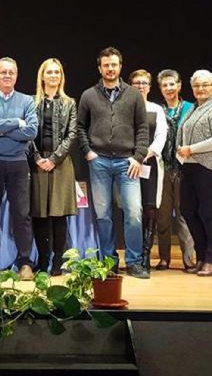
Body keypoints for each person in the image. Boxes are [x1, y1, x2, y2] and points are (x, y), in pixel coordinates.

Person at [76, 47, 149, 279]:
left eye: (114, 64)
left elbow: (142, 128)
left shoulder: (134, 95)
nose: (110, 68)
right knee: (103, 215)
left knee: (134, 213)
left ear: (120, 66)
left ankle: (135, 261)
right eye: (106, 65)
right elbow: (79, 128)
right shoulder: (88, 95)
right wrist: (88, 152)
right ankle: (108, 261)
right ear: (100, 68)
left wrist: (138, 157)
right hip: (99, 162)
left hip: (128, 163)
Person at [0, 57, 38, 280]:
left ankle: (25, 263)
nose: (7, 76)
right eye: (2, 72)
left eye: (11, 72)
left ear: (16, 76)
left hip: (17, 163)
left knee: (21, 214)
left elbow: (31, 132)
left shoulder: (26, 101)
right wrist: (17, 123)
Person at [176, 70, 212, 276]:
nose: (201, 89)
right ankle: (201, 256)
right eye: (197, 85)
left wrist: (192, 149)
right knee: (188, 211)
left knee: (210, 215)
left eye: (205, 85)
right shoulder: (194, 109)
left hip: (210, 168)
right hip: (190, 168)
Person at [30, 58, 77, 276]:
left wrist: (54, 159)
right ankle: (42, 261)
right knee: (40, 214)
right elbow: (28, 133)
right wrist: (38, 158)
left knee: (59, 216)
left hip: (60, 164)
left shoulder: (69, 103)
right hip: (37, 163)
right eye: (49, 72)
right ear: (42, 76)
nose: (53, 76)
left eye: (57, 72)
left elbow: (72, 134)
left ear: (61, 76)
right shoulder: (31, 102)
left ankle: (58, 262)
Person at [155, 69, 196, 270]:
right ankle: (164, 258)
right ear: (160, 89)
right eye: (164, 85)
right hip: (162, 169)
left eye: (172, 84)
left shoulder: (191, 108)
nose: (169, 88)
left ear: (179, 85)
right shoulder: (157, 110)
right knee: (162, 217)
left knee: (184, 215)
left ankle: (189, 259)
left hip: (184, 170)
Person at [128, 70, 167, 273]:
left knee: (150, 208)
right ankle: (132, 255)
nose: (140, 86)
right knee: (132, 210)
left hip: (149, 165)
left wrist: (145, 155)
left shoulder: (156, 109)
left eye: (144, 83)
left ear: (150, 87)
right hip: (128, 165)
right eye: (136, 83)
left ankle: (145, 256)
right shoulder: (125, 108)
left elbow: (161, 135)